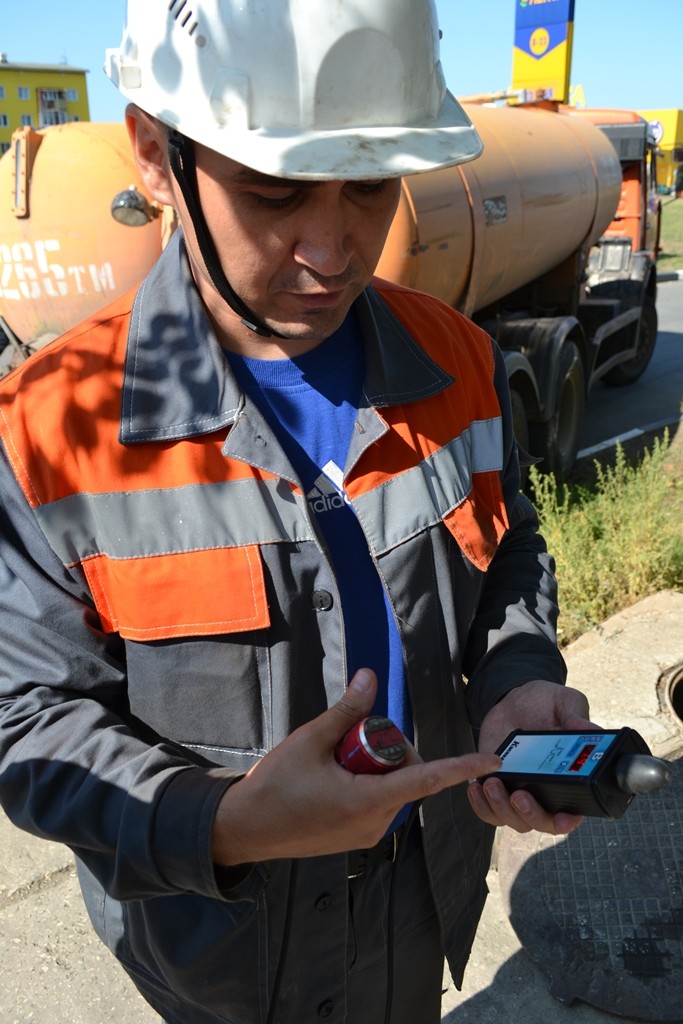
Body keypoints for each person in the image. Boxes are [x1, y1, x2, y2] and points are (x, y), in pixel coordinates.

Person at [0, 2, 594, 1022]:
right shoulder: (46, 427)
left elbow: (506, 550)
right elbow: (28, 717)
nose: (332, 248)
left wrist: (518, 675)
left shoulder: (457, 362)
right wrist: (225, 822)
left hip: (420, 899)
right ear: (155, 156)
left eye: (368, 184)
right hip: (218, 944)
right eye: (275, 191)